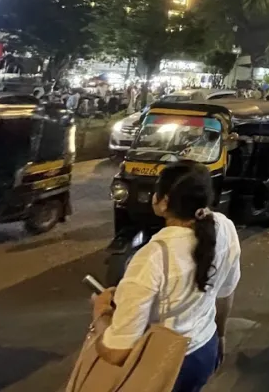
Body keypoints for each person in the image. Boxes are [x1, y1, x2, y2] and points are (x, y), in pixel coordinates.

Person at [89, 163, 240, 392]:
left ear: (164, 202)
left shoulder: (152, 257)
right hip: (203, 351)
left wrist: (101, 313)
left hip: (165, 364)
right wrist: (220, 336)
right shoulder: (225, 227)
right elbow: (224, 295)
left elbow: (117, 351)